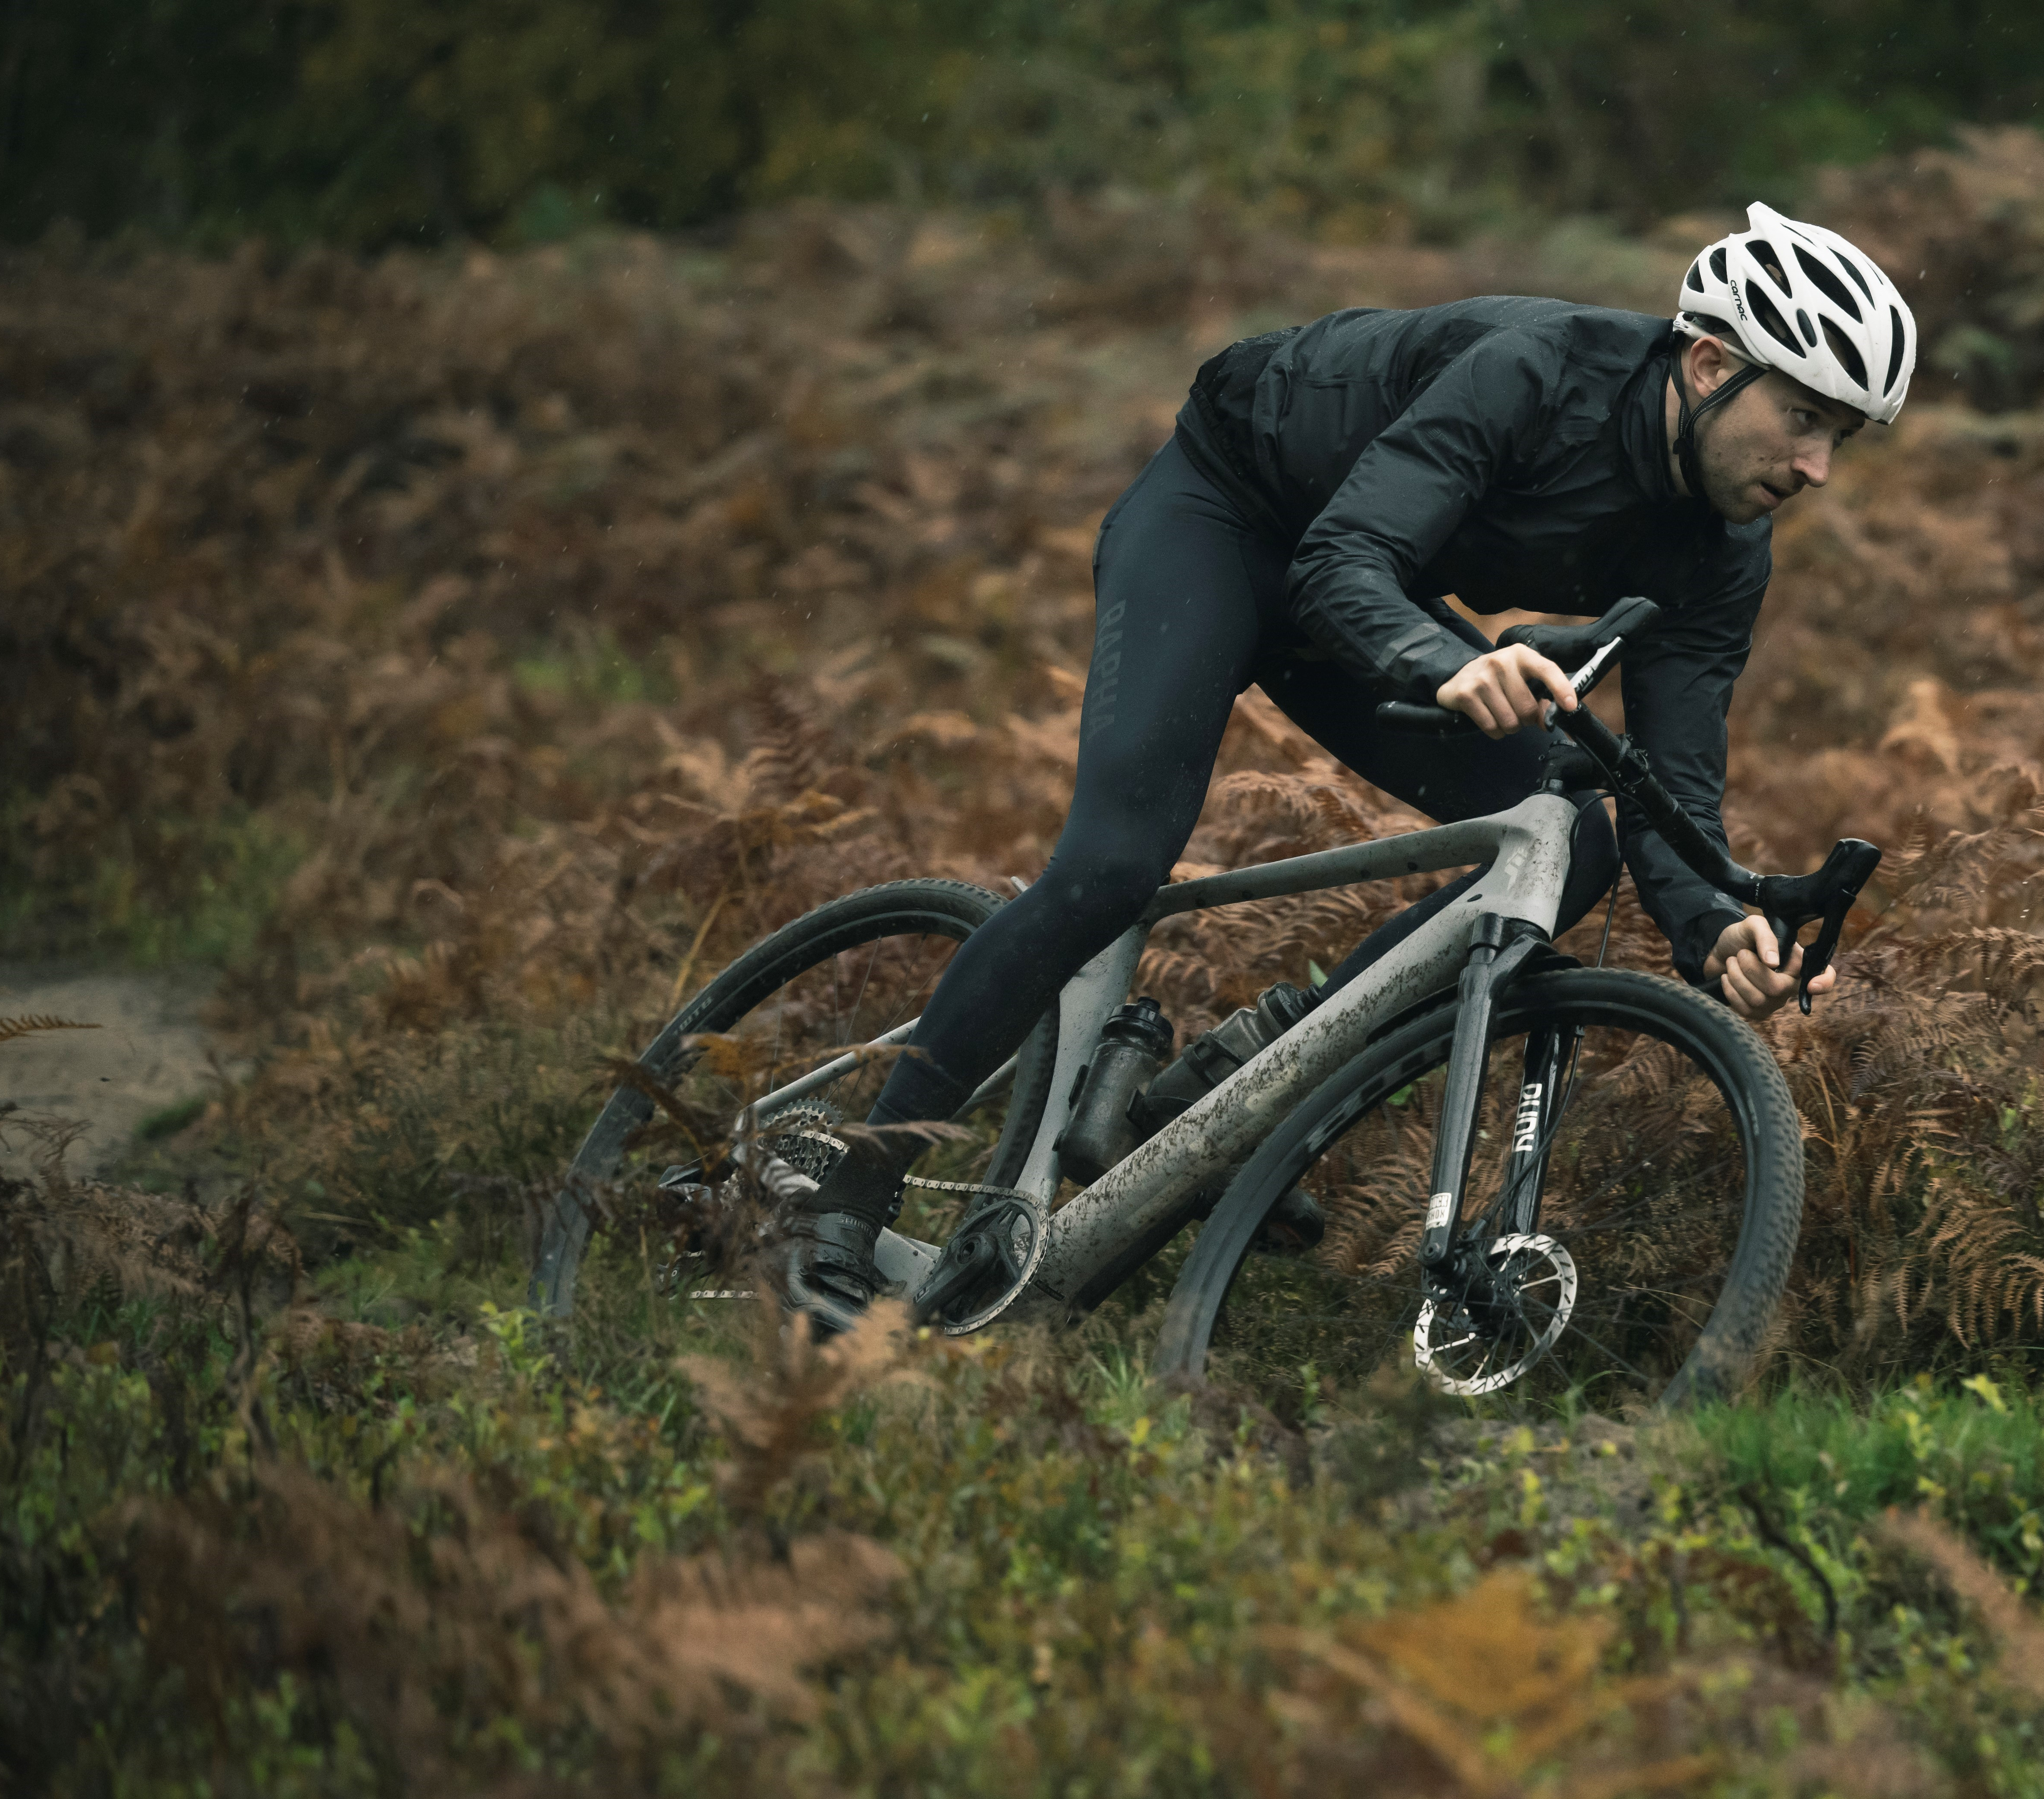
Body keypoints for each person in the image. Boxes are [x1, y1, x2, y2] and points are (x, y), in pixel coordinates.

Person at [779, 201, 1919, 1330]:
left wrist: (1715, 923)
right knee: (1116, 865)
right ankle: (850, 1197)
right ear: (1710, 361)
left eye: (1843, 437)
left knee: (1576, 832)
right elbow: (1342, 559)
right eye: (1804, 417)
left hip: (1367, 580)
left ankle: (1243, 1086)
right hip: (1229, 516)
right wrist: (1440, 663)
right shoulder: (1534, 375)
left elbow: (1671, 773)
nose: (1818, 466)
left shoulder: (1723, 549)